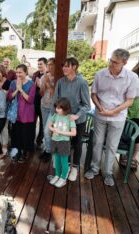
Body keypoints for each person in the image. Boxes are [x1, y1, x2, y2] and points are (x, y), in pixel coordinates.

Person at [85, 49, 139, 186]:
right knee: (97, 142)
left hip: (118, 117)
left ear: (124, 63)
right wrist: (99, 107)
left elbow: (129, 100)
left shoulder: (132, 78)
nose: (111, 64)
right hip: (100, 113)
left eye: (115, 62)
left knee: (111, 145)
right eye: (111, 60)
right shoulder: (100, 74)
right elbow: (94, 94)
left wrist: (114, 111)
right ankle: (94, 168)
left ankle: (108, 172)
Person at [52, 57, 90, 182]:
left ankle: (75, 168)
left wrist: (77, 115)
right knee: (64, 143)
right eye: (63, 66)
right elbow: (55, 100)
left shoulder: (82, 82)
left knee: (77, 144)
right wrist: (56, 116)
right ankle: (66, 167)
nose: (64, 68)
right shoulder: (60, 82)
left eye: (67, 66)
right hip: (63, 120)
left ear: (74, 67)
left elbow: (87, 105)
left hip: (78, 120)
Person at [8, 64, 36, 163]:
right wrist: (16, 89)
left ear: (25, 72)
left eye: (20, 72)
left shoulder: (31, 84)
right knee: (16, 135)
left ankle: (24, 152)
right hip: (16, 114)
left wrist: (21, 90)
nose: (18, 74)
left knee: (25, 135)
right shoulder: (13, 83)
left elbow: (30, 100)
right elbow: (10, 97)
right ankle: (17, 152)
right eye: (17, 72)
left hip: (26, 114)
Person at [48, 98, 77, 188]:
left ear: (65, 108)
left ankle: (63, 178)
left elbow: (74, 133)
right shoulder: (55, 115)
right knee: (56, 160)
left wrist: (61, 132)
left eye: (59, 108)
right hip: (55, 140)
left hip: (64, 142)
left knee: (64, 161)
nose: (57, 109)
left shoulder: (69, 118)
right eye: (56, 107)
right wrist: (52, 129)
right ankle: (57, 175)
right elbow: (50, 124)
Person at [119, 62, 139, 169]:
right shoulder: (133, 77)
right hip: (129, 109)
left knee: (136, 137)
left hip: (136, 112)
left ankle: (132, 158)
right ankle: (125, 157)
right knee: (126, 134)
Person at [40, 58, 55, 162]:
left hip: (53, 108)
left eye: (51, 65)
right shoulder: (45, 76)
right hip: (44, 105)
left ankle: (49, 151)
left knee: (47, 130)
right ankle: (46, 148)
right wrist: (43, 83)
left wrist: (48, 83)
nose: (49, 67)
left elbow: (54, 94)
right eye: (48, 65)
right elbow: (41, 93)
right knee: (45, 129)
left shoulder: (59, 78)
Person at [0, 65, 11, 154]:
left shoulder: (8, 82)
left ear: (3, 72)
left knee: (4, 127)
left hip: (6, 108)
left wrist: (1, 90)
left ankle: (5, 145)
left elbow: (9, 96)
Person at [32, 57, 47, 148]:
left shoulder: (47, 75)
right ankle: (31, 139)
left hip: (43, 102)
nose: (39, 66)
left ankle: (39, 141)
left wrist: (39, 85)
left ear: (45, 64)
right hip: (34, 101)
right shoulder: (35, 74)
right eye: (38, 64)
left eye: (41, 64)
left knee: (42, 122)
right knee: (33, 121)